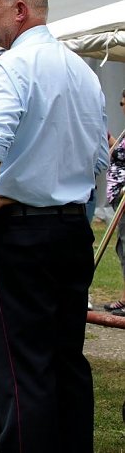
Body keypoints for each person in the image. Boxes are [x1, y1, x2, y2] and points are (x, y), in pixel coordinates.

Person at [0, 0, 107, 452]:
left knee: (21, 367)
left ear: (20, 11)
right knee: (66, 359)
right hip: (70, 228)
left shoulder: (12, 65)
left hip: (20, 232)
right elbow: (100, 156)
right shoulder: (82, 70)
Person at [105, 90, 125, 315]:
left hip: (123, 195)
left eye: (124, 103)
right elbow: (116, 153)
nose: (121, 106)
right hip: (118, 196)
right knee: (122, 246)